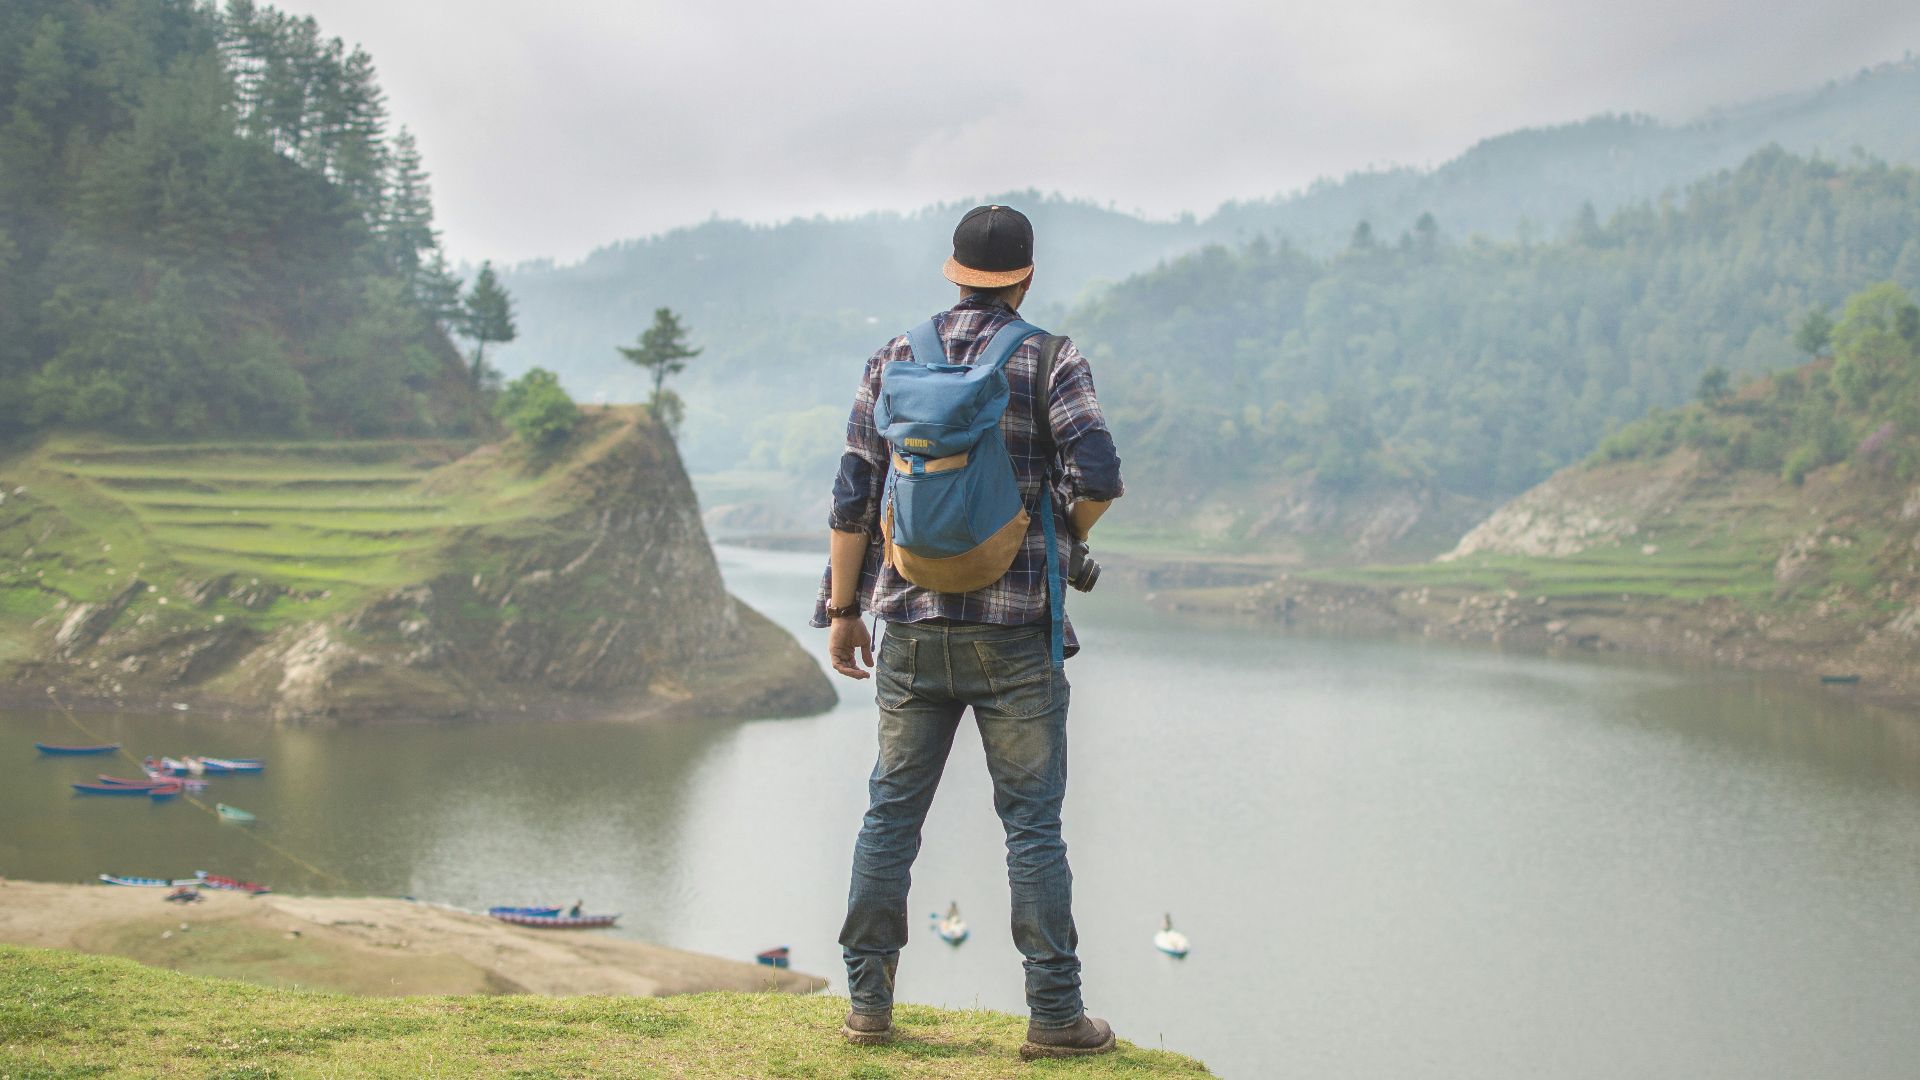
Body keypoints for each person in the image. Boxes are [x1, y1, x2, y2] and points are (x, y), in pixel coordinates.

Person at [813, 204, 1124, 1058]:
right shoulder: (1053, 360)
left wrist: (844, 615)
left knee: (890, 815)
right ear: (1026, 276)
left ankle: (868, 1007)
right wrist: (1063, 531)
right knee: (1031, 825)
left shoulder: (896, 356)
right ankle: (1056, 1018)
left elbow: (852, 493)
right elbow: (1099, 474)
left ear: (952, 270)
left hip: (909, 626)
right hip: (1017, 632)